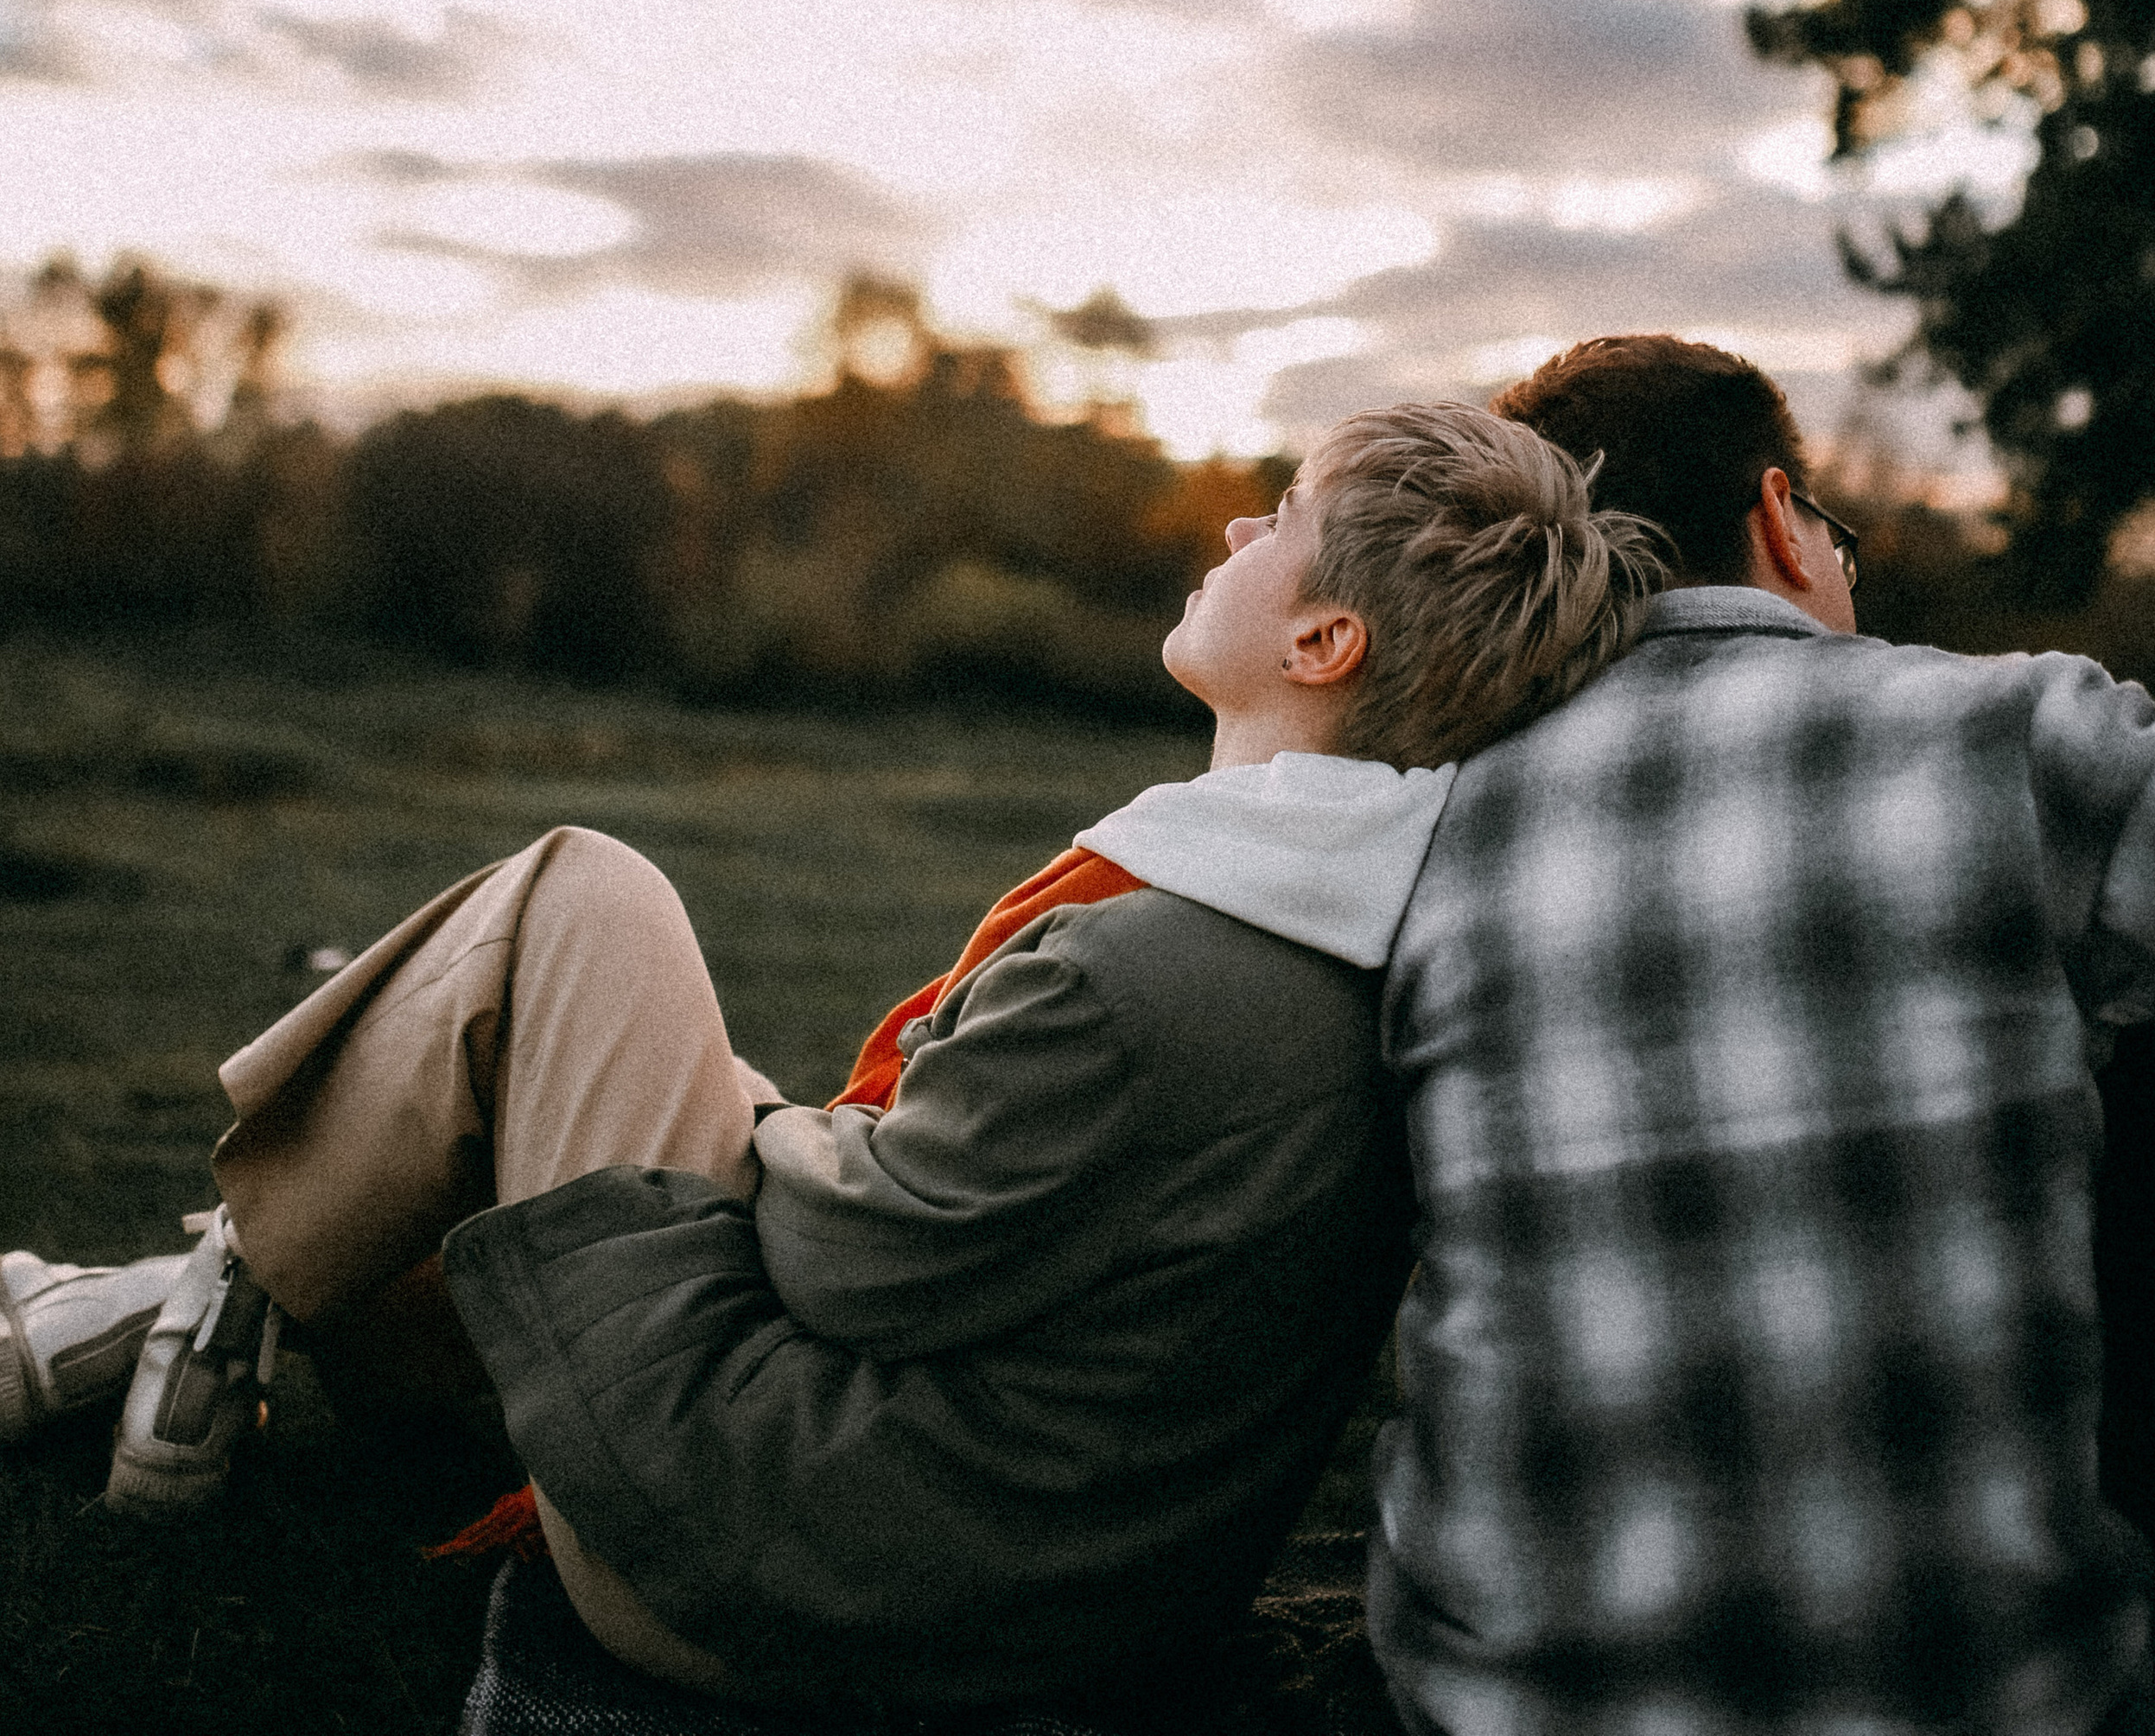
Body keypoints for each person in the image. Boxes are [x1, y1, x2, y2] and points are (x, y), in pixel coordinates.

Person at [1, 402, 1661, 1720]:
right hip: (998, 1576)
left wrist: (758, 1122)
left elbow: (846, 1258)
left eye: (1279, 518)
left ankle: (221, 1286)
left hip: (785, 1581)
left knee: (583, 900)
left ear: (1323, 646)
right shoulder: (1314, 930)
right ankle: (199, 1299)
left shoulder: (1168, 964)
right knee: (621, 1018)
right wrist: (752, 1115)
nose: (1233, 529)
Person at [1370, 330, 2155, 1736]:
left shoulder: (1421, 813)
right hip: (2010, 1698)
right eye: (1840, 535)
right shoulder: (2007, 734)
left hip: (1512, 1705)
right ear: (1777, 518)